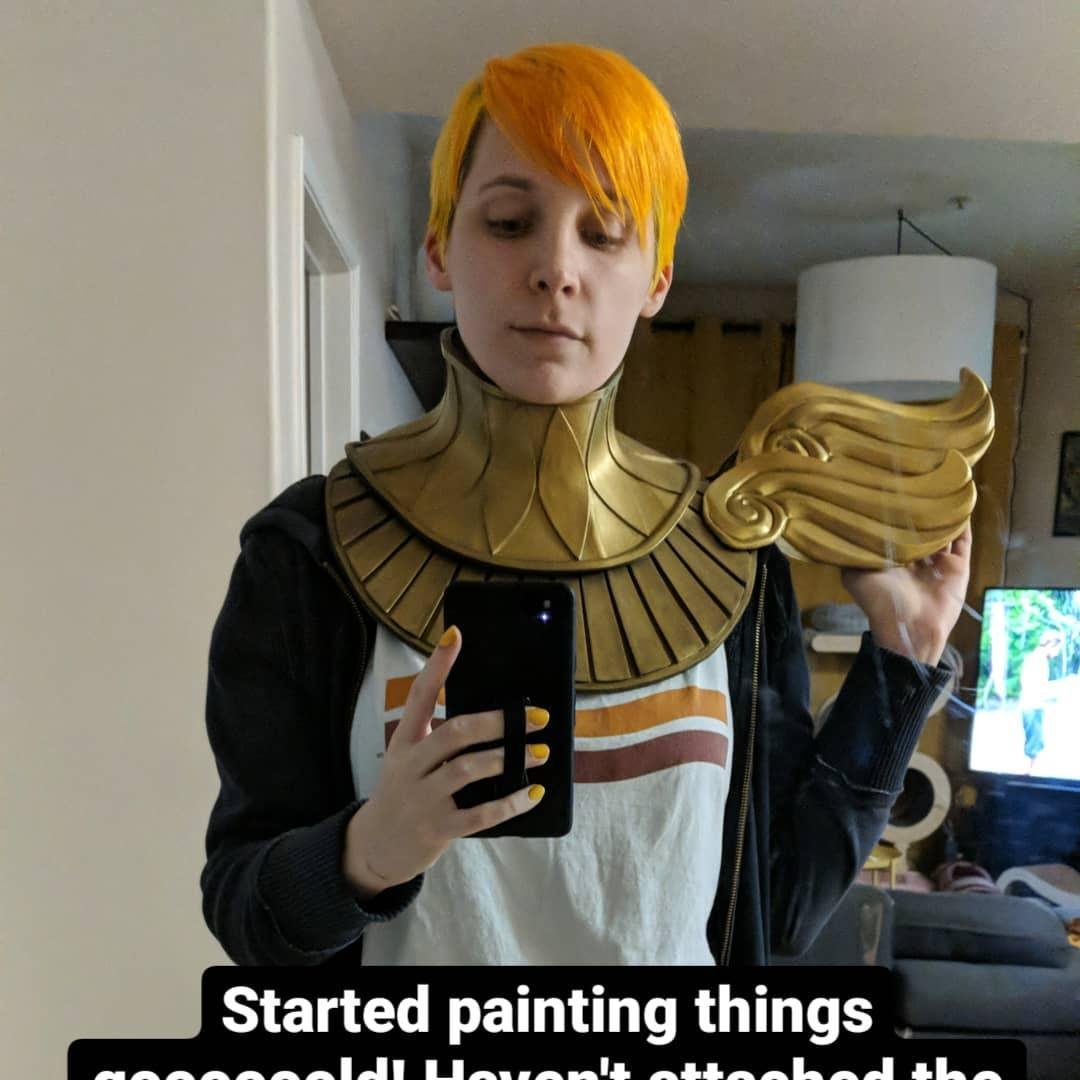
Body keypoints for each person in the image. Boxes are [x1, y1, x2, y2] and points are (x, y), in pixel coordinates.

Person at [201, 43, 970, 966]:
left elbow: (776, 904)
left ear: (657, 279)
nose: (555, 269)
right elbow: (245, 912)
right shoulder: (308, 550)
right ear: (440, 247)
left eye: (603, 233)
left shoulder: (730, 556)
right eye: (509, 222)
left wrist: (904, 655)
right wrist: (368, 852)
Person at [1019, 630, 1063, 774]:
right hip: (1033, 704)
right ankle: (1029, 773)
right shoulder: (1037, 660)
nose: (1057, 653)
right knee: (1034, 741)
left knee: (1035, 740)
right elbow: (1033, 685)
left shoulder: (1036, 658)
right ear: (1050, 645)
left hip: (1032, 704)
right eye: (1057, 649)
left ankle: (1030, 771)